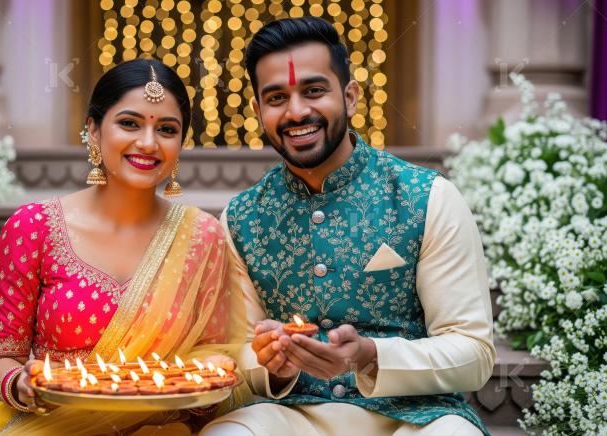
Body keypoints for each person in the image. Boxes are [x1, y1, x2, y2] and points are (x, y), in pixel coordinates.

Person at [203, 17, 496, 436]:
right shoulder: (242, 218)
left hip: (414, 417)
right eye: (276, 97)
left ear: (351, 96)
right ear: (258, 112)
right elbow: (239, 354)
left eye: (314, 91)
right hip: (292, 416)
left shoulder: (425, 197)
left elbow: (475, 353)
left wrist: (371, 355)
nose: (297, 111)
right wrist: (269, 364)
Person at [0, 59, 246, 436]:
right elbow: (1, 360)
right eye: (129, 123)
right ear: (94, 131)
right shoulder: (32, 228)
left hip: (160, 427)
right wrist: (20, 385)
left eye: (166, 129)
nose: (148, 143)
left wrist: (207, 378)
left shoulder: (201, 235)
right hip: (53, 425)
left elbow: (215, 349)